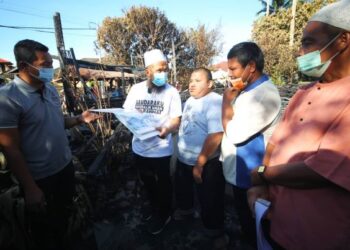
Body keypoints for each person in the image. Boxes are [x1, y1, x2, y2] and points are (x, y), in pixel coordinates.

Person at [248, 1, 350, 249]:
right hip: (277, 222)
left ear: (343, 40)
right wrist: (261, 185)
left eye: (308, 43)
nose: (300, 53)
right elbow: (275, 143)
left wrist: (260, 174)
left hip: (318, 237)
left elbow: (321, 172)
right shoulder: (303, 93)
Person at [0, 39, 100, 250]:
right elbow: (10, 148)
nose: (51, 69)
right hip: (40, 179)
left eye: (50, 64)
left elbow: (57, 120)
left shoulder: (50, 90)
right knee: (46, 232)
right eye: (45, 64)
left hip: (64, 167)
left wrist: (81, 118)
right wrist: (30, 187)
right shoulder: (8, 99)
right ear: (25, 66)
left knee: (66, 219)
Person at [220, 42, 281, 247]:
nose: (229, 74)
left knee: (257, 223)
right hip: (240, 172)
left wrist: (226, 103)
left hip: (251, 174)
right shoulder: (245, 90)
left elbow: (235, 134)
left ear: (251, 67)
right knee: (245, 218)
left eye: (233, 68)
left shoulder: (265, 95)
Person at [123, 49, 182, 235]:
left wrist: (168, 129)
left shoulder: (172, 92)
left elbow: (176, 119)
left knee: (164, 184)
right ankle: (154, 208)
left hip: (161, 149)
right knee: (147, 182)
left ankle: (164, 214)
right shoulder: (136, 90)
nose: (163, 73)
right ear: (148, 71)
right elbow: (127, 113)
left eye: (165, 69)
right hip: (140, 148)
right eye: (159, 69)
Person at [174, 68, 226, 247]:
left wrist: (200, 163)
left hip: (206, 162)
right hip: (184, 159)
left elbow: (216, 135)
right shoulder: (189, 100)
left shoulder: (214, 102)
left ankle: (215, 231)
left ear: (210, 84)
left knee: (210, 198)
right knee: (183, 189)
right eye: (191, 80)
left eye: (197, 80)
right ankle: (186, 211)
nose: (192, 84)